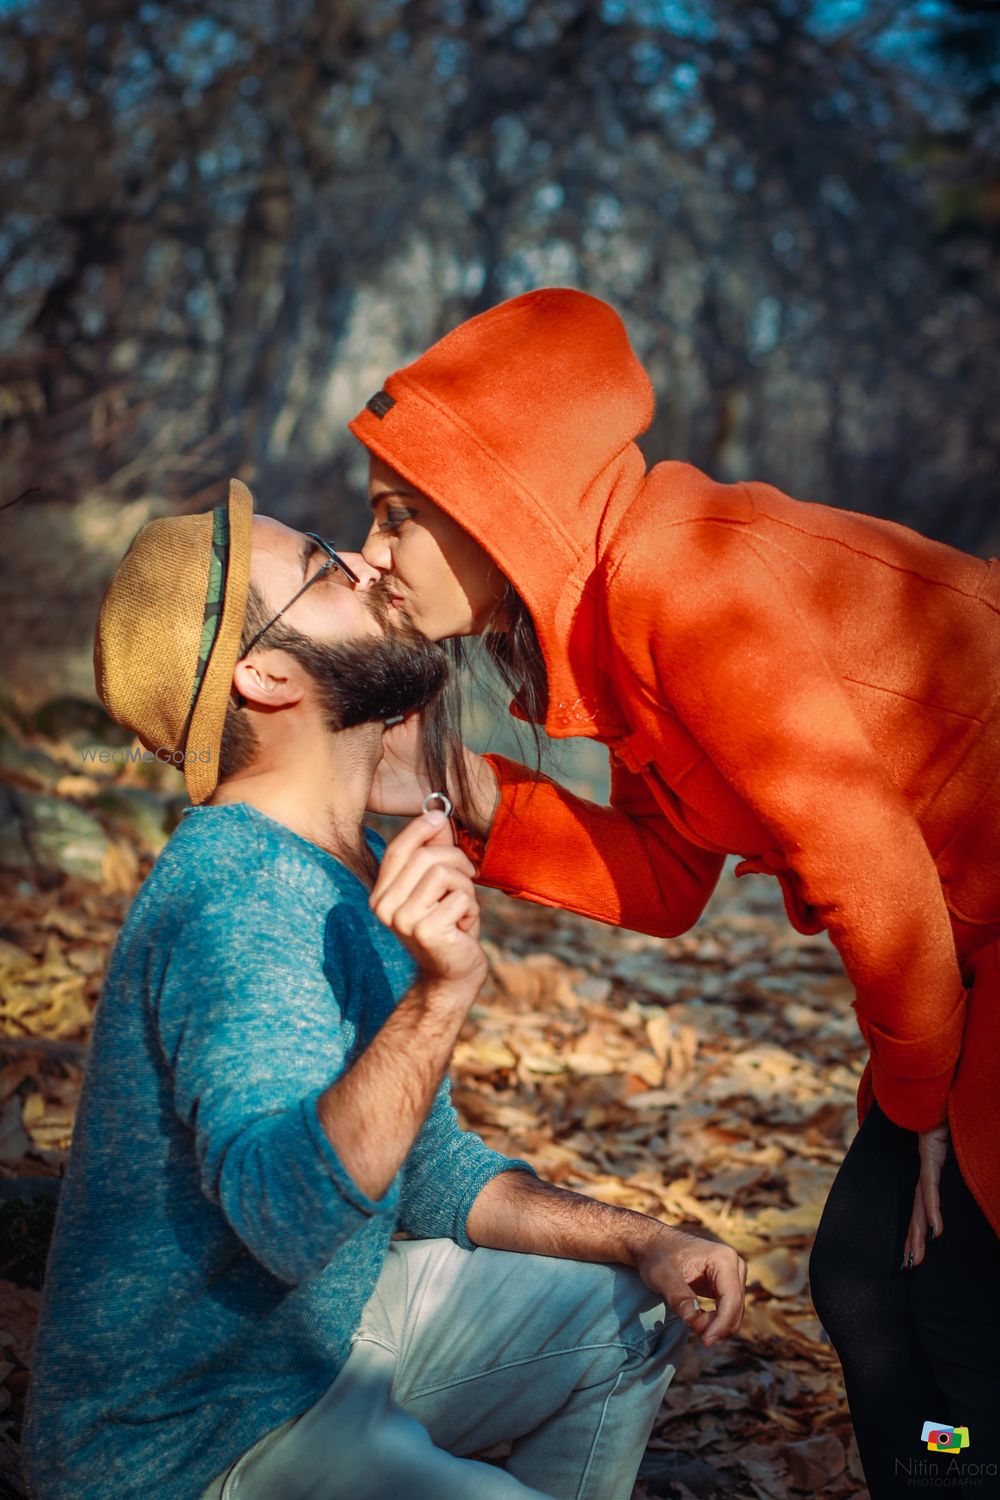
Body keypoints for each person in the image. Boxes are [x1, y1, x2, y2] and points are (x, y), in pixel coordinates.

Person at [348, 289, 1000, 1496]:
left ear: (499, 502)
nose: (374, 552)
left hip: (966, 945)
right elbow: (664, 880)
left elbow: (870, 866)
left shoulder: (680, 581)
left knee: (956, 1315)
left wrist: (923, 1108)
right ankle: (950, 1470)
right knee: (865, 1282)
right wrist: (453, 784)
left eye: (399, 515)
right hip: (963, 959)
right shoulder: (617, 607)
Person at [22, 479, 748, 1500]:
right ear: (267, 674)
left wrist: (648, 1237)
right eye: (321, 570)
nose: (365, 563)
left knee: (632, 1301)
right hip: (193, 1449)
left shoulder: (343, 859)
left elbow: (431, 1173)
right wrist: (436, 1001)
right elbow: (285, 1216)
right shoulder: (237, 891)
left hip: (315, 1350)